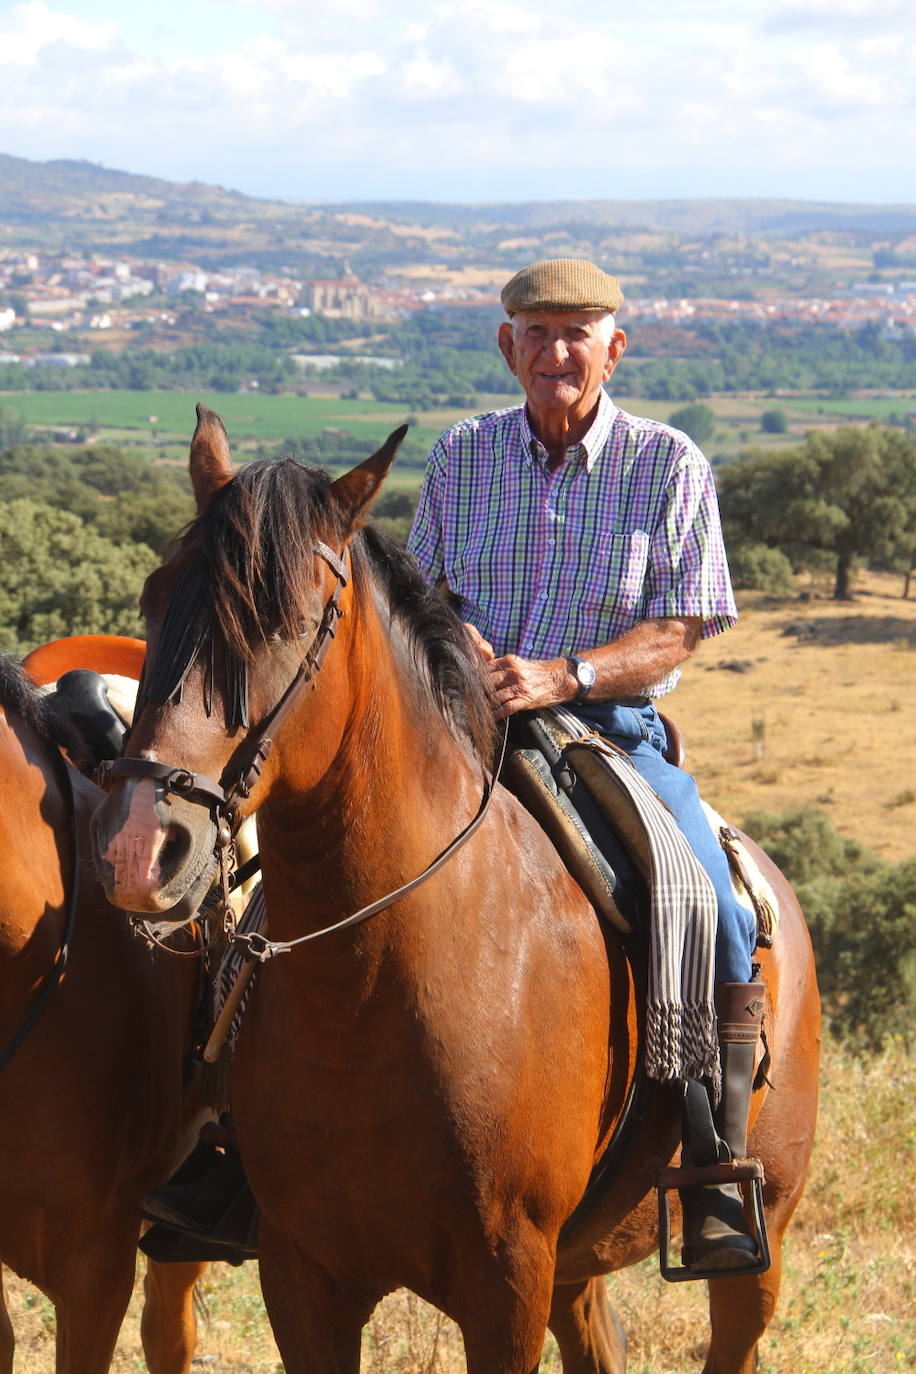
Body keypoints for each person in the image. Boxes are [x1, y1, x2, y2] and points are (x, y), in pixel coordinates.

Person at [406, 257, 765, 1275]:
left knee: (716, 910)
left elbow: (682, 627)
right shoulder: (461, 456)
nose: (555, 351)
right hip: (458, 725)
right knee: (290, 881)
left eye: (578, 333)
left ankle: (711, 1155)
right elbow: (422, 600)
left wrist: (564, 676)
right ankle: (227, 1131)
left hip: (610, 734)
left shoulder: (666, 463)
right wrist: (465, 654)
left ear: (616, 347)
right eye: (536, 331)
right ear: (505, 345)